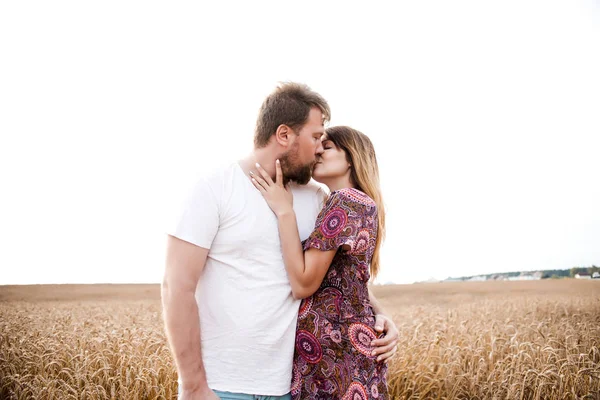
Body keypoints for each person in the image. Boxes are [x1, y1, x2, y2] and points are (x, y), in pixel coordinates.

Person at [162, 83, 398, 400]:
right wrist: (193, 386)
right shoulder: (215, 186)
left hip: (290, 386)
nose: (319, 148)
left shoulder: (318, 198)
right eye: (316, 137)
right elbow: (176, 287)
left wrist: (382, 317)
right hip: (222, 387)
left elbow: (340, 277)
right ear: (284, 135)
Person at [249, 126, 390, 399]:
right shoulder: (358, 203)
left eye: (327, 147)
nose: (317, 152)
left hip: (335, 360)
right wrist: (385, 316)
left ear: (351, 158)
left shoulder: (345, 201)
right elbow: (349, 282)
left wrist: (284, 210)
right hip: (341, 355)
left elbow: (303, 284)